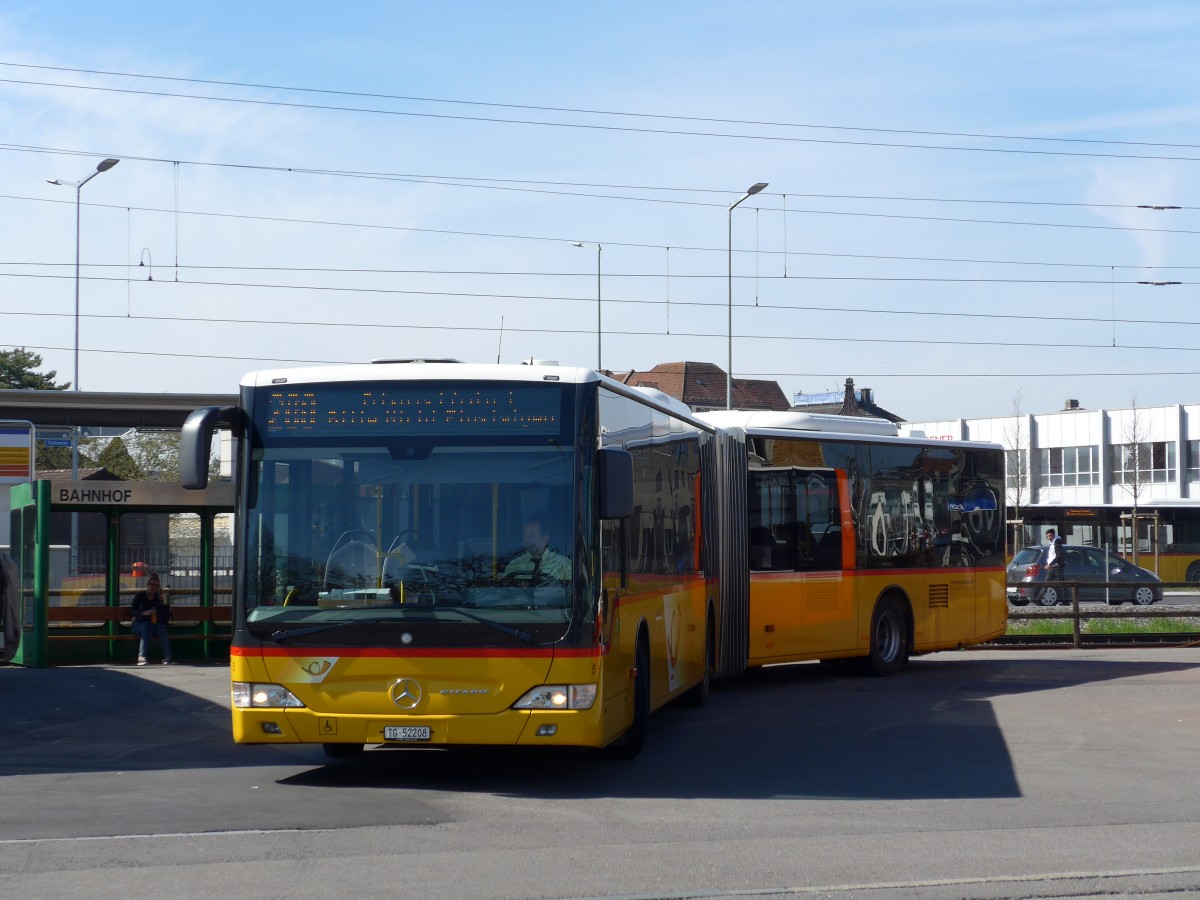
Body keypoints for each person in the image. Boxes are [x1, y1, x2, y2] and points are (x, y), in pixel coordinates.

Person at [502, 514, 571, 583]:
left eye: (531, 536)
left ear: (545, 539)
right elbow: (506, 591)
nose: (526, 541)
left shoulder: (563, 564)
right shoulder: (514, 564)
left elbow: (570, 591)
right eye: (524, 536)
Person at [130, 573, 173, 666]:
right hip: (139, 624)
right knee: (147, 626)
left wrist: (162, 601)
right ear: (147, 585)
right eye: (152, 585)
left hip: (154, 624)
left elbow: (164, 612)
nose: (154, 587)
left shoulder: (158, 598)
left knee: (161, 628)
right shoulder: (140, 596)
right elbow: (132, 609)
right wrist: (142, 613)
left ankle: (168, 658)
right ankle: (141, 657)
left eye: (156, 585)